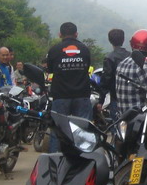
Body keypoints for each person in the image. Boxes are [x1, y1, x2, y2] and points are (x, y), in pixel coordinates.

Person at [46, 22, 92, 152]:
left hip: (60, 95)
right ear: (76, 34)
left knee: (57, 130)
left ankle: (55, 159)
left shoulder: (54, 50)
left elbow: (50, 70)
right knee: (83, 132)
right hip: (82, 95)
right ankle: (83, 160)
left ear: (60, 34)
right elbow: (87, 67)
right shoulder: (84, 49)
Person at [100, 28, 131, 118]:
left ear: (110, 40)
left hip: (116, 97)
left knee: (117, 123)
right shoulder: (131, 56)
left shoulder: (109, 57)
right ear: (123, 40)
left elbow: (106, 80)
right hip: (131, 96)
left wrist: (101, 101)